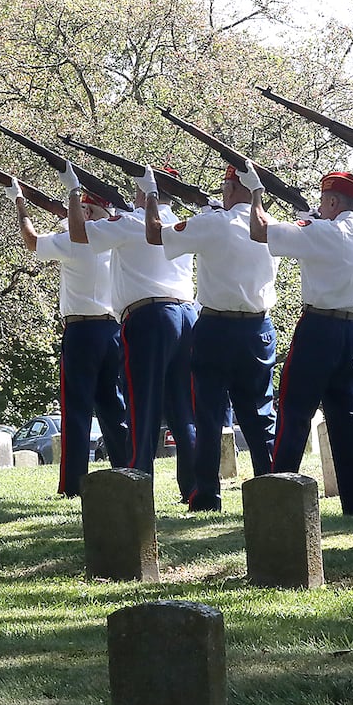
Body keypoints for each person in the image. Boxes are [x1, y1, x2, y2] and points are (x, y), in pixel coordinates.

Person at [244, 164, 353, 516]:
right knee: (350, 416)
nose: (320, 208)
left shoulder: (324, 232)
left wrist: (256, 192)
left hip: (319, 328)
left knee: (294, 411)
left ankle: (281, 494)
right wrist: (313, 222)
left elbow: (260, 231)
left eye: (324, 202)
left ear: (334, 201)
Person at [144, 162, 279, 510]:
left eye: (225, 187)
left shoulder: (213, 223)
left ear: (232, 190)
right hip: (258, 328)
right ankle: (275, 489)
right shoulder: (272, 227)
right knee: (260, 414)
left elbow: (155, 234)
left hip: (216, 327)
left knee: (206, 414)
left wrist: (151, 196)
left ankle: (206, 496)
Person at [64, 160, 198, 499]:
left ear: (144, 190)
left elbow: (80, 234)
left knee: (142, 406)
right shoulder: (179, 223)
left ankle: (138, 485)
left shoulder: (131, 221)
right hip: (186, 315)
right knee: (184, 410)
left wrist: (73, 191)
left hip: (150, 317)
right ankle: (194, 487)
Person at [10, 177, 131, 495]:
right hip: (114, 331)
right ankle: (127, 473)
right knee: (113, 408)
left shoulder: (74, 238)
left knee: (75, 411)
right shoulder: (119, 237)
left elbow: (32, 240)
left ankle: (73, 484)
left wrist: (20, 202)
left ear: (87, 212)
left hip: (82, 331)